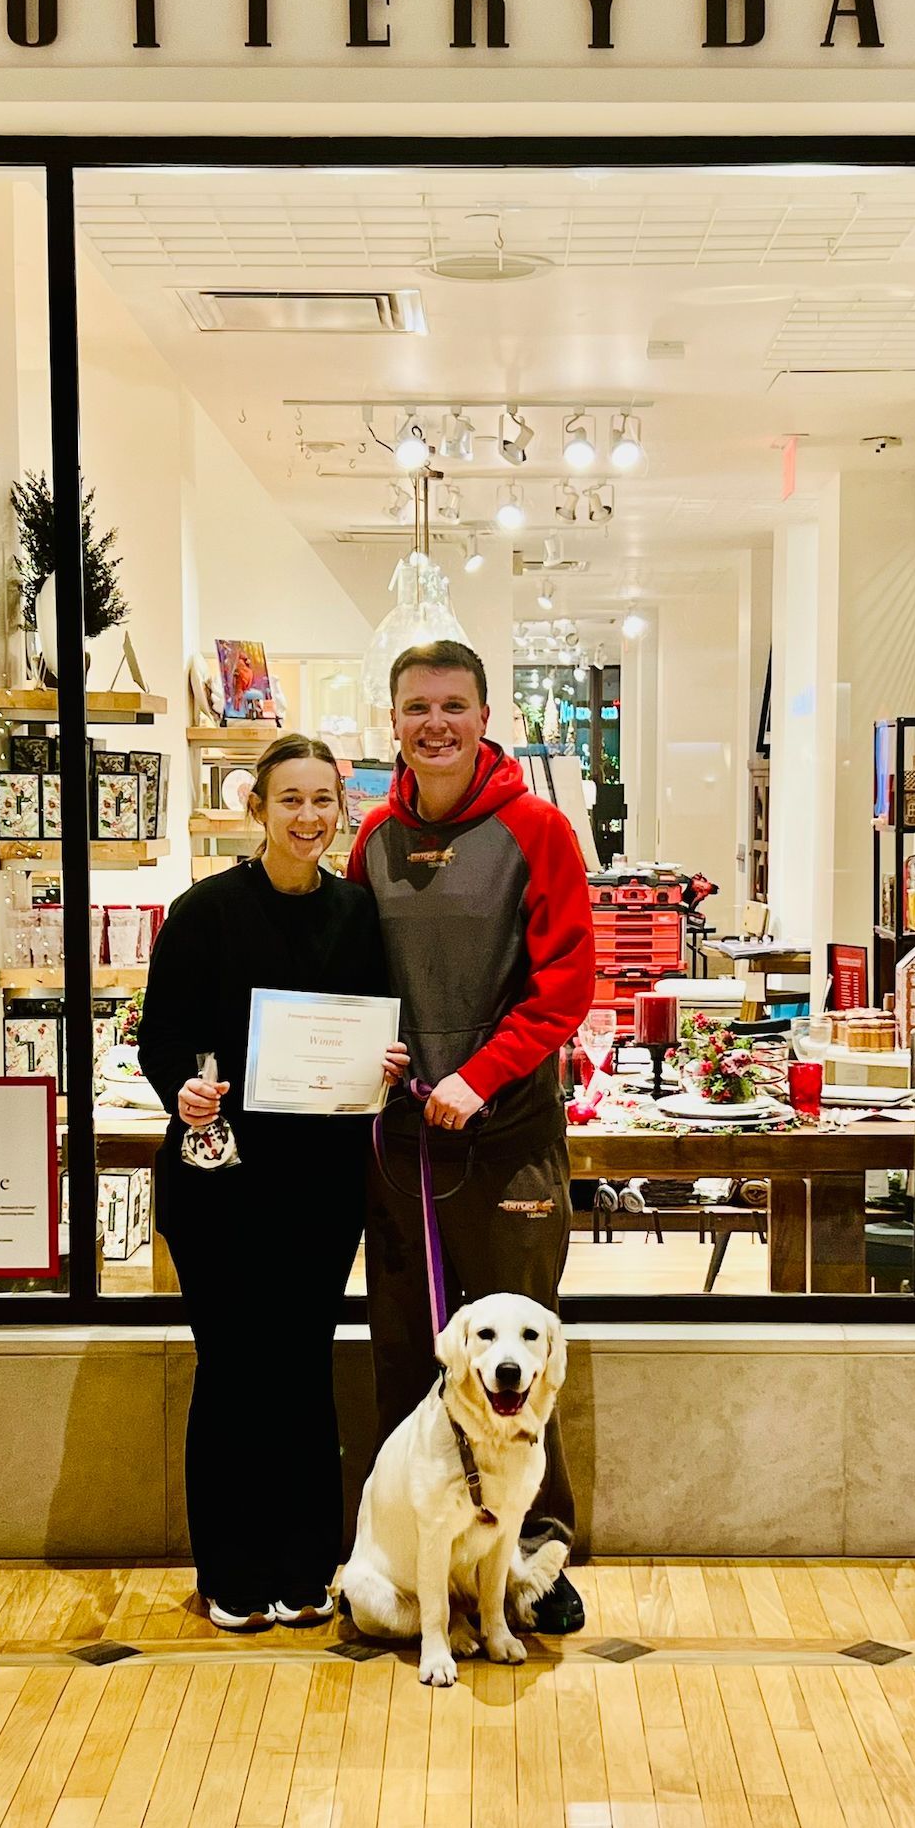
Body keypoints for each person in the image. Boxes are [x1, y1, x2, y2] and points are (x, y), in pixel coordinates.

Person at [347, 639, 595, 1635]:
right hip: (401, 1145)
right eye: (416, 707)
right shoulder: (369, 836)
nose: (434, 723)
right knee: (410, 1350)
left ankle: (536, 1556)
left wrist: (478, 1076)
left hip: (509, 1139)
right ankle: (418, 1558)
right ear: (394, 721)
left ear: (486, 717)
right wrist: (378, 1056)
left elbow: (565, 987)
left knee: (515, 1352)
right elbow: (355, 982)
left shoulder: (536, 829)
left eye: (453, 704)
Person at [138, 734, 408, 1631]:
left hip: (319, 1191)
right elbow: (161, 1036)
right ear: (257, 808)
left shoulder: (357, 916)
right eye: (289, 799)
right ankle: (230, 1569)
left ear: (343, 809)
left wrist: (391, 1061)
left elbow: (374, 1032)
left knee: (302, 1370)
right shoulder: (204, 911)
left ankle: (305, 1565)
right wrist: (185, 1088)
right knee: (233, 1371)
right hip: (221, 1187)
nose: (308, 817)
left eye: (323, 800)